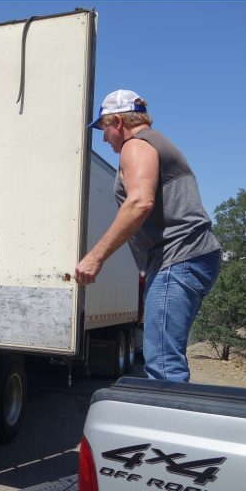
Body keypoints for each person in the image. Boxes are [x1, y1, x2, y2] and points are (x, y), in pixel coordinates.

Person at [74, 89, 221, 382]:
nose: (104, 138)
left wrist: (94, 257)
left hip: (178, 258)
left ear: (118, 121)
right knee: (167, 359)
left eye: (104, 128)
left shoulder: (137, 145)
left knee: (164, 366)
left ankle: (167, 424)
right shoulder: (157, 143)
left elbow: (140, 202)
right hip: (188, 257)